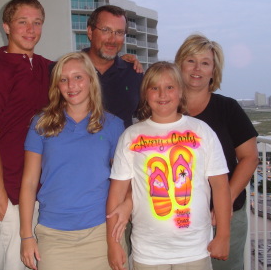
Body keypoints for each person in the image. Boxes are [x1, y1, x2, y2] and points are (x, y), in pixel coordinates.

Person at [107, 61, 231, 270]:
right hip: (148, 252)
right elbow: (116, 193)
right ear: (145, 94)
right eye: (154, 88)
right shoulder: (131, 136)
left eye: (169, 87)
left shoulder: (202, 131)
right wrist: (113, 244)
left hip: (195, 248)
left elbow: (220, 186)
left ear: (181, 92)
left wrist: (224, 235)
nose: (162, 94)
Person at [20, 52, 125, 270]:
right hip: (54, 235)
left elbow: (126, 181)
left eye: (78, 77)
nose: (71, 85)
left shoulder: (113, 125)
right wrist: (26, 236)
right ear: (57, 85)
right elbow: (29, 183)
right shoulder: (41, 124)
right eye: (64, 79)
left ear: (90, 80)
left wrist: (128, 205)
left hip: (101, 233)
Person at [0, 0, 53, 270]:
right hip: (8, 197)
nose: (31, 29)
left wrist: (125, 62)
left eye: (37, 22)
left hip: (37, 192)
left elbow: (84, 72)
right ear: (6, 26)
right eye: (23, 22)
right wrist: (0, 199)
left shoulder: (46, 68)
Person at [174, 34, 259, 270]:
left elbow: (249, 157)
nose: (197, 68)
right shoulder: (165, 108)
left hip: (223, 216)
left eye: (205, 62)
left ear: (214, 71)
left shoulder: (227, 108)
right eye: (190, 60)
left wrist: (226, 201)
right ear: (179, 65)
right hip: (179, 218)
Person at [84, 5, 143, 129]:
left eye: (119, 32)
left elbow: (150, 115)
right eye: (106, 30)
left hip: (122, 147)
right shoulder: (65, 72)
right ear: (90, 32)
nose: (112, 39)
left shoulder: (134, 73)